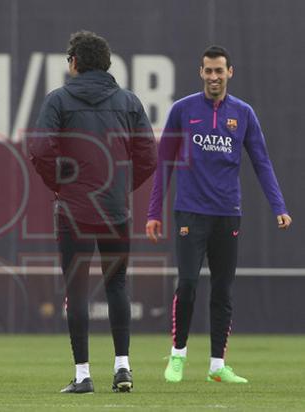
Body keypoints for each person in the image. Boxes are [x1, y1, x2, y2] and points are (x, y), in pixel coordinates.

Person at [146, 45, 292, 384]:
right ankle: (178, 355)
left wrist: (279, 206)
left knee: (223, 290)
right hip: (190, 213)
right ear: (201, 72)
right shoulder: (183, 110)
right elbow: (164, 163)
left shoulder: (243, 113)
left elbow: (262, 163)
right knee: (188, 283)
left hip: (228, 214)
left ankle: (216, 366)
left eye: (219, 71)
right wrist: (154, 212)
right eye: (208, 71)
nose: (214, 77)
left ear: (230, 72)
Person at [30, 30, 157, 393]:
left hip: (73, 211)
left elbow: (40, 150)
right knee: (117, 284)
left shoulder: (58, 100)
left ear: (74, 63)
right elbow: (148, 157)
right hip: (115, 211)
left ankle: (83, 375)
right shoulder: (129, 101)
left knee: (78, 289)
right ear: (107, 64)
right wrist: (119, 187)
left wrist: (61, 183)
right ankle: (123, 368)